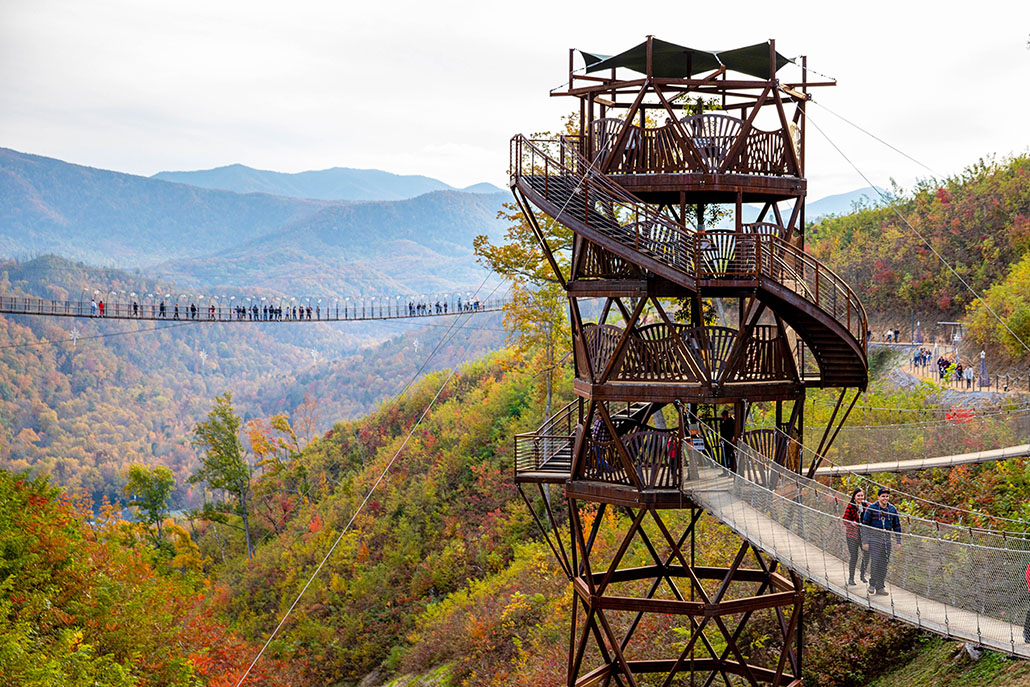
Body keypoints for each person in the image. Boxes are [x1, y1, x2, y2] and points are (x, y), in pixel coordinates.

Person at [862, 488, 902, 596]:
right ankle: (872, 584)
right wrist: (865, 541)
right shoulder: (871, 508)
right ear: (878, 497)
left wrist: (899, 541)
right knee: (875, 562)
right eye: (883, 496)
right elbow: (865, 526)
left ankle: (880, 587)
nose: (885, 498)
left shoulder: (892, 509)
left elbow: (897, 526)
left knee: (884, 564)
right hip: (874, 539)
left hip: (887, 539)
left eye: (887, 496)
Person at [842, 488, 870, 586]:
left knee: (867, 554)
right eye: (858, 496)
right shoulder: (851, 506)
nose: (860, 497)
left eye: (862, 495)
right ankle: (851, 578)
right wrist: (851, 523)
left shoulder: (866, 505)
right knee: (854, 556)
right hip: (852, 535)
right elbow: (844, 519)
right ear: (854, 496)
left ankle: (862, 575)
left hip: (863, 535)